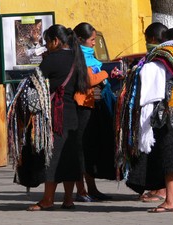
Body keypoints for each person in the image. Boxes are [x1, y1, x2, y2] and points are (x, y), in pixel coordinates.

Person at [115, 27, 173, 213]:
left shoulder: (160, 60)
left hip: (165, 115)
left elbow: (150, 90)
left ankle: (169, 201)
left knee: (168, 158)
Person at [25, 24, 89, 211]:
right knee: (68, 158)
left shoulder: (52, 60)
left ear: (55, 41)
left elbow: (34, 82)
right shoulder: (77, 59)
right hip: (72, 115)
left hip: (54, 116)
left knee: (51, 157)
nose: (46, 46)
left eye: (47, 42)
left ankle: (47, 199)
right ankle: (68, 199)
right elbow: (80, 85)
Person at [125, 22, 168, 203]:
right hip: (157, 109)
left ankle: (163, 190)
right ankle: (159, 187)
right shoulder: (161, 57)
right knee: (153, 150)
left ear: (151, 39)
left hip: (155, 109)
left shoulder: (159, 58)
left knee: (157, 150)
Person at [73, 22, 116, 201]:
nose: (93, 43)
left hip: (94, 106)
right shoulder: (76, 57)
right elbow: (88, 80)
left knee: (90, 149)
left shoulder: (91, 57)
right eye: (91, 40)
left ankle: (92, 188)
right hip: (81, 108)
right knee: (81, 149)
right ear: (81, 39)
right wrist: (105, 74)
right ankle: (81, 190)